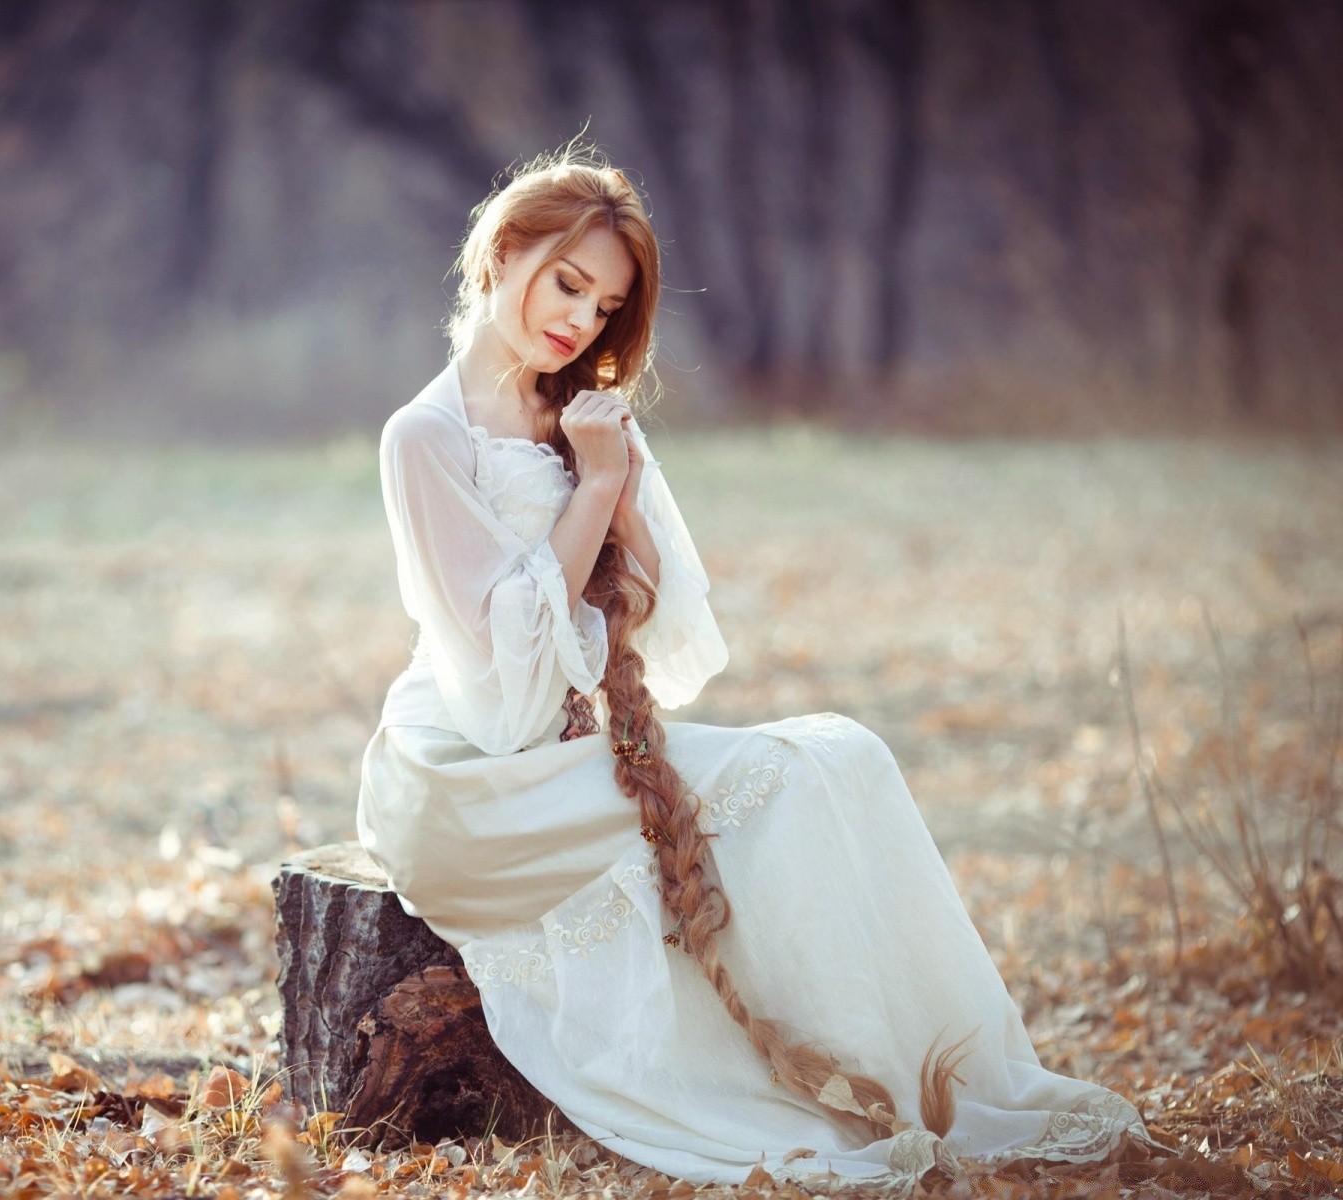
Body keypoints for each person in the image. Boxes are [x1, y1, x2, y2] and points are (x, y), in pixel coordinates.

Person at [352, 142, 1158, 1196]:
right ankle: (829, 1089)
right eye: (567, 282)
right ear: (504, 253)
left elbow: (655, 611)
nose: (580, 320)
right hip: (467, 770)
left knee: (846, 761)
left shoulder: (579, 418)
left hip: (565, 742)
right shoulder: (423, 437)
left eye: (603, 306)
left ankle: (920, 1077)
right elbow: (501, 682)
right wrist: (593, 490)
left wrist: (617, 490)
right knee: (799, 781)